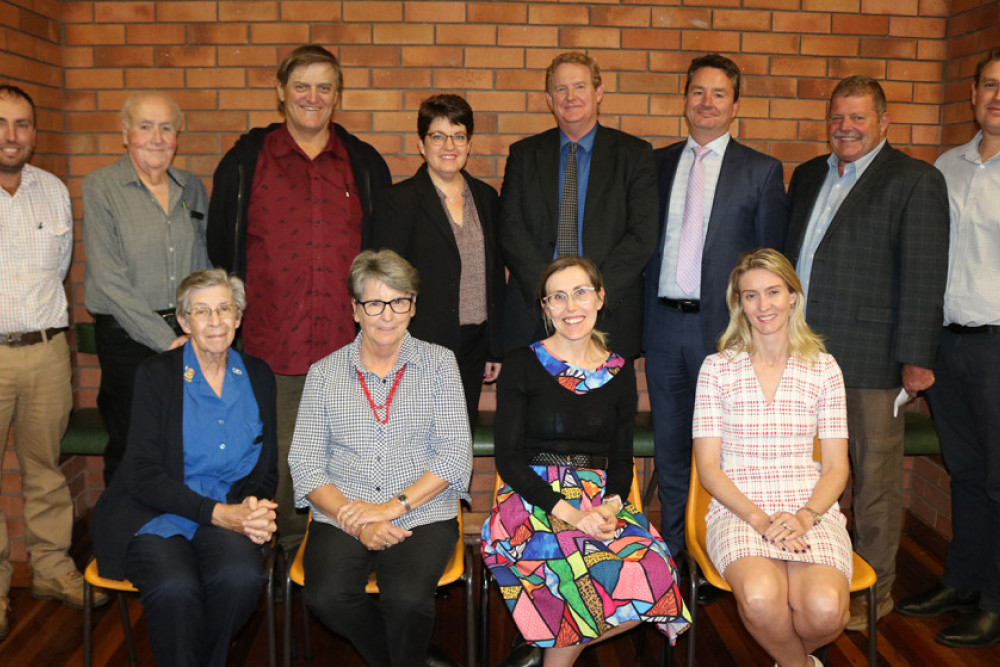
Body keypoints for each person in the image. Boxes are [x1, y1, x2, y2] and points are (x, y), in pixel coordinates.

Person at [208, 44, 392, 551]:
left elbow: (381, 258)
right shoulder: (247, 162)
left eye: (325, 87)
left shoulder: (364, 165)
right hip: (273, 345)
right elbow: (221, 251)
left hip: (348, 345)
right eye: (301, 86)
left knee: (354, 455)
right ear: (281, 92)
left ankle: (343, 556)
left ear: (338, 97)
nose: (313, 96)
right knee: (286, 460)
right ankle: (286, 562)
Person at [785, 75, 950, 630]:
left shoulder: (915, 180)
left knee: (874, 477)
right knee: (804, 474)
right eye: (837, 117)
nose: (845, 127)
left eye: (857, 117)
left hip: (874, 359)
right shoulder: (808, 175)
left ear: (884, 121)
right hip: (799, 356)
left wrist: (916, 357)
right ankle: (810, 575)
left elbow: (925, 275)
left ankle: (872, 593)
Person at [482, 256, 690, 667]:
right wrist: (573, 516)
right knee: (572, 571)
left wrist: (612, 505)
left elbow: (620, 457)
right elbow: (508, 459)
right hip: (531, 498)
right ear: (545, 307)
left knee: (655, 572)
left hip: (596, 497)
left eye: (580, 292)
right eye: (557, 297)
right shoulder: (522, 363)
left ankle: (543, 654)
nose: (570, 306)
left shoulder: (619, 370)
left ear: (600, 298)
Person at [289, 250, 472, 667]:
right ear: (355, 310)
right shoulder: (324, 373)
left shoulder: (440, 364)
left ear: (413, 305)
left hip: (421, 510)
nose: (387, 315)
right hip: (344, 509)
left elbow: (454, 455)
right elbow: (305, 462)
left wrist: (387, 511)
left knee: (407, 598)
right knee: (326, 596)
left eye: (399, 301)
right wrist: (356, 518)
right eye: (374, 303)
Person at [90, 269, 278, 667]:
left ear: (239, 316)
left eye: (225, 309)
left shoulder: (258, 376)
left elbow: (267, 466)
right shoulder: (156, 376)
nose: (215, 322)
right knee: (175, 588)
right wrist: (218, 514)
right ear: (183, 321)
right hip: (155, 512)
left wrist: (255, 509)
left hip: (227, 510)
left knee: (241, 580)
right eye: (202, 311)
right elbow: (141, 472)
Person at [644, 53, 789, 560]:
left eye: (719, 94)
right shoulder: (655, 164)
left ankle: (719, 549)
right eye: (698, 92)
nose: (706, 103)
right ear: (685, 99)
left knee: (725, 452)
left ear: (735, 106)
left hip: (726, 334)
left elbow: (771, 264)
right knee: (671, 447)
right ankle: (676, 554)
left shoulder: (762, 171)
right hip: (662, 327)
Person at [693, 249, 852, 667]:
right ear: (738, 304)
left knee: (825, 610)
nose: (764, 306)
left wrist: (805, 516)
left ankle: (788, 659)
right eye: (750, 296)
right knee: (763, 601)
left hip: (809, 508)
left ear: (793, 296)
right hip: (738, 508)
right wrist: (761, 520)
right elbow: (708, 468)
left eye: (773, 292)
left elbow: (837, 467)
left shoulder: (824, 368)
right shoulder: (716, 369)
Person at [896, 49, 1000, 648]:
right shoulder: (947, 166)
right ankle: (961, 580)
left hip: (996, 350)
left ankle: (994, 599)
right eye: (988, 85)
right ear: (973, 94)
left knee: (998, 478)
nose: (996, 96)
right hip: (949, 343)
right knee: (963, 472)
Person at [0, 84, 108, 638]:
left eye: (22, 125)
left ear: (34, 133)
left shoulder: (52, 191)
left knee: (44, 471)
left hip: (44, 352)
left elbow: (58, 270)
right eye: (2, 123)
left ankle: (50, 570)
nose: (11, 136)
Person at [83, 91, 210, 484]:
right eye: (145, 126)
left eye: (166, 128)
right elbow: (108, 277)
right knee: (131, 443)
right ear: (125, 133)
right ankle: (123, 539)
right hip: (127, 338)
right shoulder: (101, 187)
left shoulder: (191, 187)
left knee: (185, 440)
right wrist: (165, 339)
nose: (157, 138)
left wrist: (202, 327)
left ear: (178, 135)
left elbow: (203, 263)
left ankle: (174, 536)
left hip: (186, 334)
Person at [499, 51, 658, 359]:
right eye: (561, 89)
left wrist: (589, 297)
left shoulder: (634, 155)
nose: (570, 97)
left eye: (580, 87)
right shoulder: (524, 154)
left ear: (598, 92)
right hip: (537, 313)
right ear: (549, 98)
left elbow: (642, 234)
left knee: (601, 406)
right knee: (537, 406)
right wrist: (552, 293)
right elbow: (510, 228)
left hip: (607, 318)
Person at [370, 94, 504, 428]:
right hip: (418, 346)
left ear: (469, 144)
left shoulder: (486, 198)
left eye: (458, 136)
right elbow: (383, 281)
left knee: (459, 439)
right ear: (421, 144)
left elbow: (495, 274)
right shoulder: (398, 202)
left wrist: (494, 347)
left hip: (474, 346)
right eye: (438, 136)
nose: (449, 145)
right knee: (415, 441)